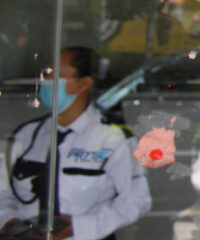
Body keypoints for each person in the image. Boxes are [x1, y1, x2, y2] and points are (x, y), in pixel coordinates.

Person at [0, 47, 151, 240]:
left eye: (55, 76)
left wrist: (79, 227)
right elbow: (3, 190)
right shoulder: (26, 136)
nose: (45, 82)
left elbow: (136, 201)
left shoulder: (113, 139)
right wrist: (10, 222)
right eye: (46, 75)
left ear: (83, 84)